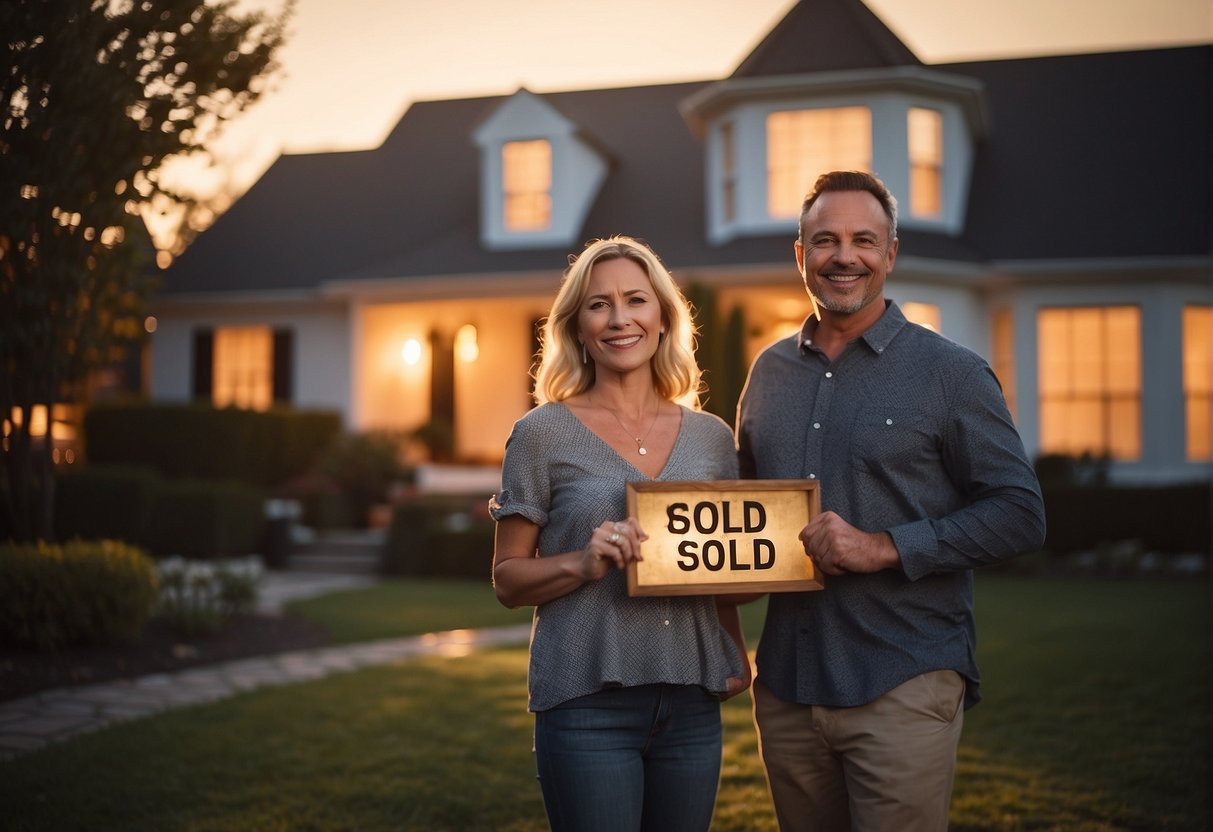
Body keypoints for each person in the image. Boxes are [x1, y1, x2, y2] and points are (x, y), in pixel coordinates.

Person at [736, 171, 1046, 832]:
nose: (842, 256)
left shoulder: (950, 372)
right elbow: (743, 514)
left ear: (890, 254)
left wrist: (880, 547)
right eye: (824, 240)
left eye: (862, 240)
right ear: (799, 255)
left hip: (902, 682)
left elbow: (1019, 513)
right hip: (787, 689)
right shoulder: (766, 374)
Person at [489, 235, 751, 832]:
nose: (619, 318)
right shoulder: (540, 434)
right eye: (598, 304)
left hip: (691, 700)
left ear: (662, 317)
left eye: (635, 299)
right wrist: (582, 563)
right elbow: (507, 580)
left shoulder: (711, 437)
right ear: (577, 328)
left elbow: (717, 562)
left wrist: (732, 649)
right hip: (586, 704)